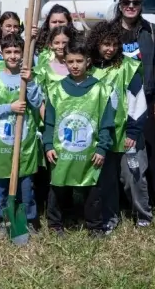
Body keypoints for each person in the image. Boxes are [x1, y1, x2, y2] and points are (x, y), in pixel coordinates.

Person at [43, 39, 115, 238]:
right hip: (61, 151)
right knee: (58, 187)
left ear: (88, 62)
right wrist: (48, 144)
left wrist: (102, 147)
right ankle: (56, 224)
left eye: (79, 61)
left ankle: (95, 226)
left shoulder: (100, 89)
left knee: (92, 190)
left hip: (90, 152)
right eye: (71, 61)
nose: (75, 65)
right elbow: (49, 121)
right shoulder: (56, 89)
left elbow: (106, 122)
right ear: (65, 62)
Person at [86, 22, 151, 230]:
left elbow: (138, 101)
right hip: (102, 136)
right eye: (105, 44)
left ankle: (143, 215)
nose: (110, 49)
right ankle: (109, 218)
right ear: (97, 44)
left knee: (133, 176)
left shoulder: (128, 67)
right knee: (106, 181)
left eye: (114, 44)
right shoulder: (89, 70)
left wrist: (133, 130)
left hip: (127, 133)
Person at [0, 34, 43, 238]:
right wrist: (11, 107)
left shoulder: (29, 78)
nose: (13, 55)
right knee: (0, 188)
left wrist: (30, 82)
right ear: (2, 53)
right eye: (9, 52)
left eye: (17, 52)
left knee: (27, 187)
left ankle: (30, 221)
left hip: (24, 143)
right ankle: (3, 221)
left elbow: (36, 102)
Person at [113, 0, 155, 208]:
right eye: (127, 2)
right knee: (117, 148)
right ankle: (119, 197)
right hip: (116, 100)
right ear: (120, 4)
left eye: (136, 2)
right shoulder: (110, 30)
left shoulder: (152, 31)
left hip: (146, 99)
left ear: (141, 5)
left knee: (148, 148)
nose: (131, 6)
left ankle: (153, 197)